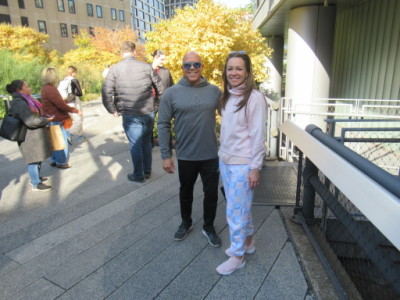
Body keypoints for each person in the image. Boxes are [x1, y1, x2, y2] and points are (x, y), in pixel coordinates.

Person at [157, 51, 222, 247]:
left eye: (196, 64)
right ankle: (186, 222)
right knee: (185, 191)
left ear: (202, 67)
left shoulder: (214, 91)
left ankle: (208, 226)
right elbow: (163, 124)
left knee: (211, 194)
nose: (192, 68)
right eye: (187, 65)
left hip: (211, 154)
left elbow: (230, 116)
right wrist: (166, 155)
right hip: (185, 155)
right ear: (182, 68)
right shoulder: (171, 93)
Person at [215, 51, 267, 275]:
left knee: (235, 212)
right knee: (241, 209)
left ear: (247, 72)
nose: (233, 73)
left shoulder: (254, 98)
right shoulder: (227, 96)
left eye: (238, 68)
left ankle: (238, 256)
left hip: (243, 165)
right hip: (226, 162)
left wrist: (255, 168)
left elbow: (257, 135)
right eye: (230, 68)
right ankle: (248, 243)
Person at [102, 41, 164, 182]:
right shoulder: (146, 67)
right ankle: (147, 170)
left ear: (121, 53)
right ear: (135, 52)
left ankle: (138, 174)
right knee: (146, 142)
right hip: (148, 111)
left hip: (130, 113)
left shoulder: (115, 69)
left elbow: (106, 92)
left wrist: (112, 109)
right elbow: (161, 89)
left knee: (136, 143)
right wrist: (156, 106)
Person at [6, 80, 53, 191]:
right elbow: (30, 121)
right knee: (33, 159)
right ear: (19, 90)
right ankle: (35, 183)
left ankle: (37, 177)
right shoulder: (19, 102)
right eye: (26, 86)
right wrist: (45, 120)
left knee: (37, 157)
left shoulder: (25, 99)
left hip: (33, 134)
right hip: (28, 135)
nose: (29, 88)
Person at [41, 67, 83, 169]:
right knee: (61, 141)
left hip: (50, 117)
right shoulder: (51, 89)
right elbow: (60, 105)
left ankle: (55, 160)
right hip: (56, 118)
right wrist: (75, 110)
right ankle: (61, 161)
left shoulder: (45, 88)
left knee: (54, 141)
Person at [150, 50, 174, 147]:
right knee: (149, 125)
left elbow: (172, 86)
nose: (163, 61)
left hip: (163, 102)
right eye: (162, 59)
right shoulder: (145, 69)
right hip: (149, 103)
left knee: (165, 124)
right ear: (156, 57)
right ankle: (149, 144)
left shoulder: (165, 71)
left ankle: (168, 145)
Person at [58, 65, 87, 145]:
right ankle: (69, 134)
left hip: (66, 103)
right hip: (74, 103)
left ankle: (80, 136)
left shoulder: (62, 81)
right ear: (74, 72)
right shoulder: (74, 80)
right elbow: (80, 93)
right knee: (79, 120)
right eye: (76, 72)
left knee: (75, 119)